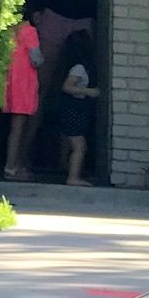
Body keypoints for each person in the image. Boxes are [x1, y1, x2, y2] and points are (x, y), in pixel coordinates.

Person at [31, 0, 98, 153]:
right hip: (53, 16)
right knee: (39, 88)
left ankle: (67, 161)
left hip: (83, 22)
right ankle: (23, 153)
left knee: (75, 90)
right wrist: (34, 9)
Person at [1, 2, 43, 181]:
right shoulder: (29, 31)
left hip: (9, 81)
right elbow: (36, 59)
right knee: (19, 127)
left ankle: (12, 166)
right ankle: (12, 167)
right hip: (24, 84)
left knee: (13, 127)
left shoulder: (8, 31)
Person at [57, 30, 101, 186]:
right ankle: (73, 177)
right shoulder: (79, 68)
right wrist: (89, 91)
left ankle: (68, 169)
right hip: (74, 110)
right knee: (79, 146)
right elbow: (67, 87)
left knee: (73, 144)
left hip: (76, 110)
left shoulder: (76, 66)